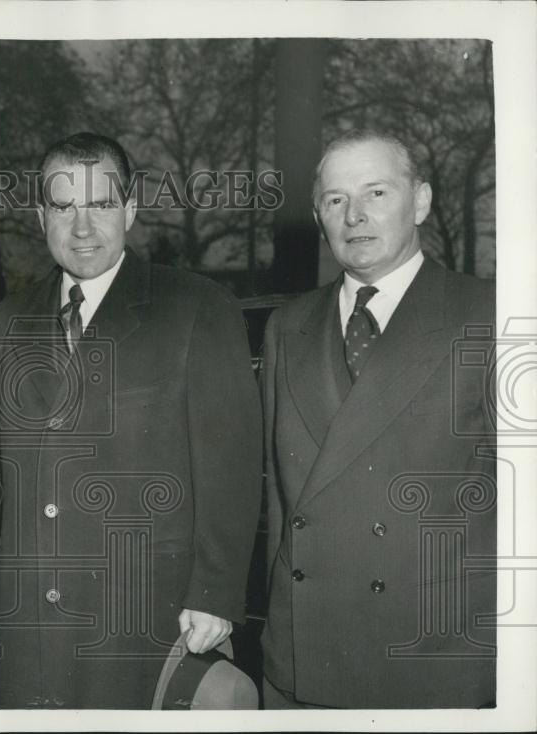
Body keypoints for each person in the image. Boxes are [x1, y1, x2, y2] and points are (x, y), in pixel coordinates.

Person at [0, 132, 262, 708]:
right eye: (64, 207)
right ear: (41, 216)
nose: (82, 228)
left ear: (130, 209)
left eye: (101, 205)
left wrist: (215, 592)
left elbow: (231, 463)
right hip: (30, 616)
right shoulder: (5, 321)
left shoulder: (195, 308)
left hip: (144, 613)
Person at [260, 129, 496, 708]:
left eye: (377, 193)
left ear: (420, 201)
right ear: (318, 216)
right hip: (302, 658)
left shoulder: (489, 315)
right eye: (335, 199)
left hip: (432, 660)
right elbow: (277, 502)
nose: (355, 216)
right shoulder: (286, 327)